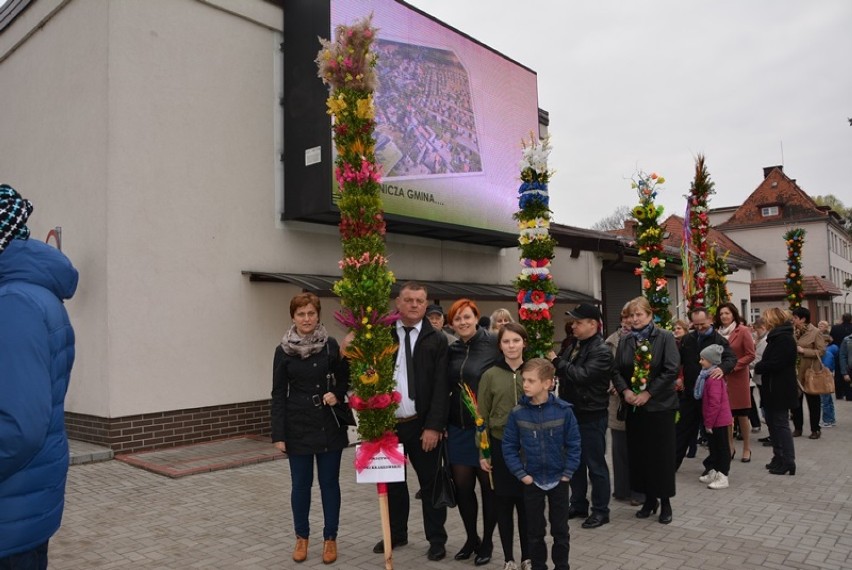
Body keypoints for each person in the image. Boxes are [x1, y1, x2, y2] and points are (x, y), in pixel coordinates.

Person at [0, 185, 78, 569]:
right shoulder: (27, 296)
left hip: (9, 518)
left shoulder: (14, 303)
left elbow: (18, 429)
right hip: (20, 507)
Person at [373, 282, 451, 561]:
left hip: (422, 426)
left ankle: (436, 539)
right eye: (409, 300)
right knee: (393, 484)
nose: (415, 305)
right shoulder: (381, 335)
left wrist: (434, 426)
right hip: (389, 426)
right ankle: (396, 534)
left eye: (420, 300)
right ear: (398, 303)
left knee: (430, 484)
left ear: (426, 302)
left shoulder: (437, 339)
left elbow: (442, 388)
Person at [271, 292, 350, 564]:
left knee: (329, 484)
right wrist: (278, 434)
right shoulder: (282, 351)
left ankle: (330, 539)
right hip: (298, 426)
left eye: (311, 313)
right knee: (300, 486)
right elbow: (278, 393)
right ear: (293, 317)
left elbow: (344, 377)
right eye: (301, 314)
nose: (306, 319)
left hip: (328, 424)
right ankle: (301, 538)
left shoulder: (330, 345)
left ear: (318, 315)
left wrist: (336, 394)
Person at [502, 358, 581, 570]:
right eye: (523, 380)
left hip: (559, 479)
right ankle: (538, 566)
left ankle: (562, 565)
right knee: (535, 531)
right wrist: (522, 474)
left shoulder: (564, 411)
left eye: (531, 380)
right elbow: (509, 446)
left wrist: (568, 472)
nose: (525, 384)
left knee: (560, 530)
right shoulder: (517, 413)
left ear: (547, 383)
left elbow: (574, 444)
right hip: (532, 481)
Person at [612, 296, 680, 525]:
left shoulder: (665, 337)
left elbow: (671, 370)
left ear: (650, 315)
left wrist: (648, 393)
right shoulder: (626, 340)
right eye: (631, 315)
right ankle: (649, 500)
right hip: (634, 408)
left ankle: (665, 501)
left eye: (639, 314)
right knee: (640, 456)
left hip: (659, 407)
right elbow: (616, 371)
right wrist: (626, 392)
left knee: (661, 456)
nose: (634, 319)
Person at [446, 298, 500, 565]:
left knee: (488, 489)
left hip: (486, 431)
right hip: (458, 429)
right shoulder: (453, 349)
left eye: (467, 317)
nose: (463, 322)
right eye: (457, 319)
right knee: (463, 489)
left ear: (476, 317)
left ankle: (488, 540)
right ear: (452, 324)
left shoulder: (494, 343)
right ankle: (471, 538)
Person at [550, 303, 613, 529]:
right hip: (571, 411)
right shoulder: (574, 344)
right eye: (573, 322)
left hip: (591, 414)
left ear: (593, 324)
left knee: (595, 465)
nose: (573, 326)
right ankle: (578, 503)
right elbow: (562, 368)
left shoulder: (601, 350)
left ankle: (600, 510)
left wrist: (557, 362)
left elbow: (582, 375)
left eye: (578, 322)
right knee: (574, 463)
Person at [478, 323, 530, 570]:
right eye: (506, 341)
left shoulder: (532, 371)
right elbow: (482, 417)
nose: (511, 346)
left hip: (529, 448)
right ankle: (509, 557)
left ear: (524, 343)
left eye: (516, 341)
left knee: (527, 505)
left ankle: (527, 557)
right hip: (500, 446)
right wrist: (483, 451)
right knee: (504, 503)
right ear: (500, 345)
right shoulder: (490, 375)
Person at [674, 307, 737, 470]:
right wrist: (678, 377)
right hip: (690, 393)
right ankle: (672, 464)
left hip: (709, 395)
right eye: (696, 325)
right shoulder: (688, 339)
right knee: (682, 429)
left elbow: (731, 358)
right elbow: (677, 360)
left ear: (710, 320)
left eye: (702, 324)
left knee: (712, 433)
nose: (700, 328)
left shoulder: (719, 340)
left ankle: (713, 466)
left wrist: (722, 368)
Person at [604, 306, 644, 506]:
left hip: (639, 400)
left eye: (634, 316)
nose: (630, 320)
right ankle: (621, 489)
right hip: (617, 402)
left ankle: (639, 491)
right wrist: (614, 386)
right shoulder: (611, 341)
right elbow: (607, 368)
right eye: (627, 316)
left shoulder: (644, 339)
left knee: (637, 447)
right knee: (619, 447)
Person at [754, 308, 798, 475]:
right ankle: (778, 457)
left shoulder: (784, 339)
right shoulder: (777, 337)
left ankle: (788, 461)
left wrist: (760, 366)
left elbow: (776, 363)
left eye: (767, 319)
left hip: (780, 388)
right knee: (773, 424)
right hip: (771, 388)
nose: (765, 322)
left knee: (781, 425)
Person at [714, 302, 756, 462]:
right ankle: (730, 446)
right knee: (726, 415)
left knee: (742, 414)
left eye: (727, 313)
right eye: (721, 313)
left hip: (738, 378)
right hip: (720, 378)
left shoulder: (743, 331)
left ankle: (746, 447)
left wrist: (732, 366)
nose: (724, 316)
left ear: (733, 315)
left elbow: (750, 354)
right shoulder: (717, 333)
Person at [694, 345, 733, 490]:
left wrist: (708, 423)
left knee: (721, 448)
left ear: (711, 361)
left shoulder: (713, 379)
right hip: (714, 420)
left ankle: (723, 475)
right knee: (714, 447)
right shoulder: (707, 375)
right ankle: (714, 471)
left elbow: (714, 403)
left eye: (703, 359)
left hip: (719, 421)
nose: (700, 362)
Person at [790, 307, 826, 439]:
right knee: (795, 403)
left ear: (803, 319)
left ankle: (815, 429)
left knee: (813, 403)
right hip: (795, 373)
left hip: (810, 373)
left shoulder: (815, 332)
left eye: (795, 318)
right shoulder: (792, 331)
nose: (793, 320)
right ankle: (798, 428)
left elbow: (821, 351)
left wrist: (804, 351)